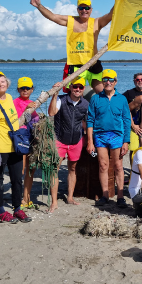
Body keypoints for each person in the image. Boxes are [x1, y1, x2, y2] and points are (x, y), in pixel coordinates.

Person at [28, 0, 113, 93]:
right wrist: (39, 6)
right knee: (75, 94)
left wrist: (118, 2)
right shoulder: (71, 21)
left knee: (103, 93)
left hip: (93, 64)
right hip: (76, 66)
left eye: (87, 8)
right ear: (77, 9)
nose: (84, 10)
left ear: (91, 9)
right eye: (81, 8)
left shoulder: (96, 22)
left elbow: (110, 15)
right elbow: (53, 16)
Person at [0, 72, 31, 224]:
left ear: (7, 84)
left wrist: (25, 117)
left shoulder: (10, 98)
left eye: (3, 81)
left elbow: (12, 120)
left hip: (14, 146)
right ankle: (0, 211)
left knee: (17, 179)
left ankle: (17, 208)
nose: (0, 84)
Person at [87, 69, 131, 207]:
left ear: (115, 82)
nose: (108, 82)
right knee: (103, 165)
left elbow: (126, 120)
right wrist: (90, 141)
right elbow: (90, 121)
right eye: (105, 79)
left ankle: (120, 196)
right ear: (102, 81)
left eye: (111, 80)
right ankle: (105, 195)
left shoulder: (122, 98)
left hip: (117, 136)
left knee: (118, 166)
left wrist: (126, 141)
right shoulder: (95, 98)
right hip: (100, 135)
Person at [48, 78, 89, 213]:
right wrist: (54, 94)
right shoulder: (61, 99)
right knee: (55, 169)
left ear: (83, 89)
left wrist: (89, 140)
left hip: (76, 140)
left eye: (80, 87)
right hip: (60, 139)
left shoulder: (85, 104)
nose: (77, 89)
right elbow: (52, 113)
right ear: (70, 87)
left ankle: (70, 197)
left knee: (72, 168)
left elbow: (88, 123)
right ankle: (54, 202)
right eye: (75, 87)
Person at [13, 76, 39, 210]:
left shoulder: (33, 103)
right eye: (22, 88)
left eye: (27, 88)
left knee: (31, 169)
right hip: (20, 139)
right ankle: (18, 200)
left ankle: (26, 198)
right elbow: (16, 121)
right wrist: (26, 109)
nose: (25, 90)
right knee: (20, 169)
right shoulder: (14, 102)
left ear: (32, 89)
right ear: (18, 89)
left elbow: (34, 121)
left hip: (31, 139)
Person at [124, 73, 142, 153]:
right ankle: (133, 165)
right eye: (137, 80)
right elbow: (124, 109)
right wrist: (133, 125)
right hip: (133, 125)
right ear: (134, 81)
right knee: (133, 150)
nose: (140, 81)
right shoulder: (128, 93)